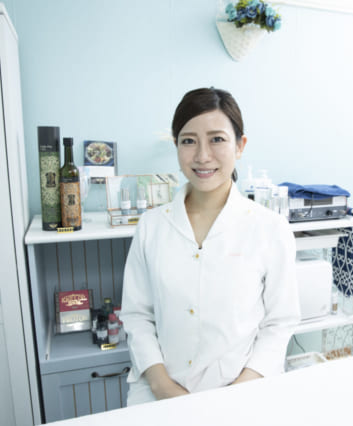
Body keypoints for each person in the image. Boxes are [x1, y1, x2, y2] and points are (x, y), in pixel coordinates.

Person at [120, 87, 300, 405]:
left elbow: (280, 322)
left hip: (244, 392)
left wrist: (239, 391)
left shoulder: (270, 228)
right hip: (160, 394)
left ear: (240, 146)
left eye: (217, 139)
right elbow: (137, 316)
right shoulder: (151, 227)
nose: (202, 156)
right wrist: (162, 387)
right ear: (176, 145)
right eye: (189, 141)